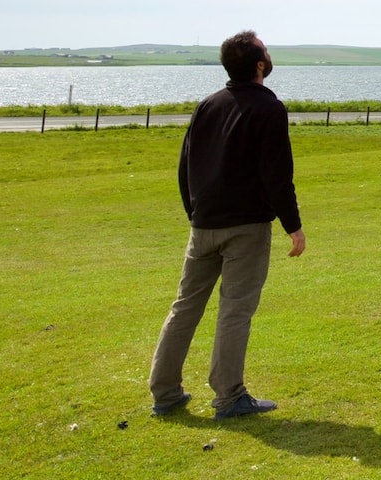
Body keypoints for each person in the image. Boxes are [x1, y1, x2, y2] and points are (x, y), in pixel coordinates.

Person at [149, 30, 306, 420]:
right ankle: (229, 395)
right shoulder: (269, 108)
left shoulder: (208, 105)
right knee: (235, 309)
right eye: (266, 51)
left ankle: (165, 392)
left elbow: (184, 166)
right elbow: (276, 175)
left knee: (185, 307)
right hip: (246, 227)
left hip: (203, 226)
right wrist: (294, 225)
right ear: (259, 65)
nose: (270, 54)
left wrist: (195, 212)